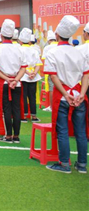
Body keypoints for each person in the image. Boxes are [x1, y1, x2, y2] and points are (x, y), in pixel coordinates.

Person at [44, 15, 88, 174]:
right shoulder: (79, 53)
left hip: (63, 96)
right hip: (78, 95)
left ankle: (64, 163)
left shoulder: (52, 52)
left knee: (62, 130)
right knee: (81, 132)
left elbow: (53, 76)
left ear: (57, 35)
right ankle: (82, 164)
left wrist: (65, 93)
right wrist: (82, 93)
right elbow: (86, 75)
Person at [0, 19, 27, 143]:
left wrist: (7, 79)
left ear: (1, 34)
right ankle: (16, 135)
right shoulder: (19, 49)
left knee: (6, 109)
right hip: (17, 83)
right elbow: (23, 68)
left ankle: (8, 135)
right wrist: (15, 79)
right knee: (17, 109)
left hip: (3, 83)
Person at [19, 28, 43, 123]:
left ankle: (24, 115)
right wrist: (33, 73)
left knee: (23, 96)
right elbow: (38, 64)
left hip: (23, 75)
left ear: (20, 40)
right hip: (33, 75)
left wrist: (27, 73)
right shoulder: (34, 50)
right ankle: (34, 116)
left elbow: (19, 64)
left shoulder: (19, 50)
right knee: (32, 96)